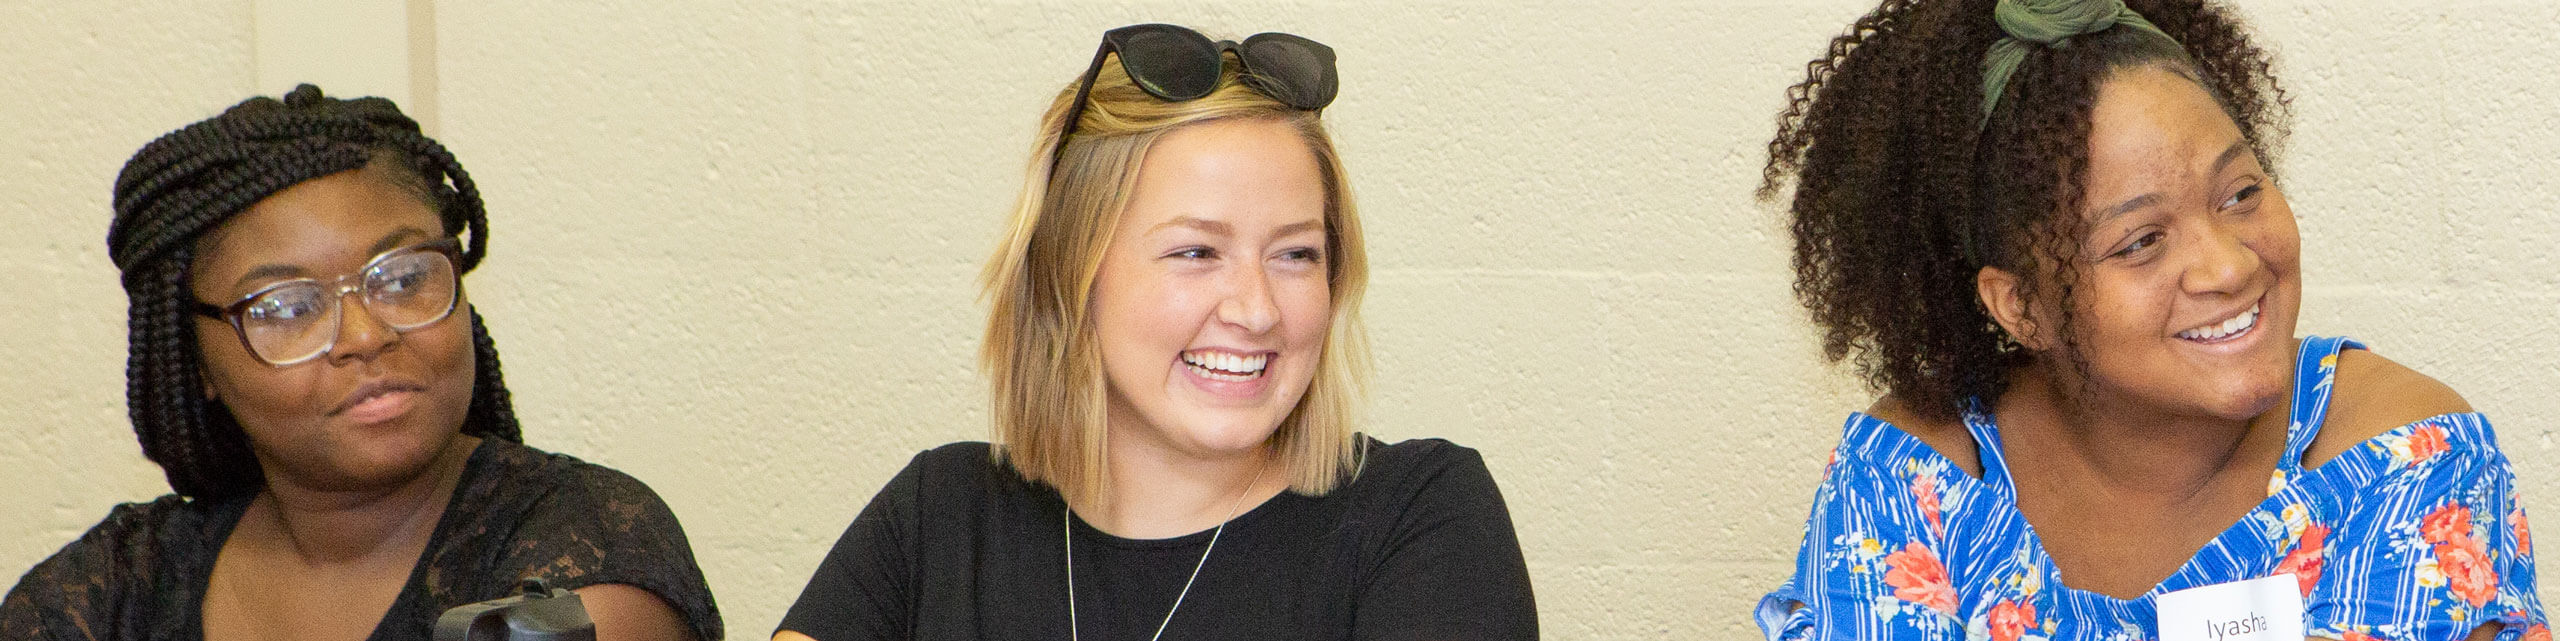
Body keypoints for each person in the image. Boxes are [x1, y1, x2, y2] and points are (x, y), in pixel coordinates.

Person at [1752, 1, 2547, 640]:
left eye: (2240, 193)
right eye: (2140, 242)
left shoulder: (2400, 460)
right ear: (2023, 305)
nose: (2230, 265)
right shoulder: (1916, 486)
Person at [775, 24, 1537, 641]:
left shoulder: (1423, 518)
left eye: (1297, 253)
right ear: (1071, 275)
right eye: (1196, 252)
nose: (1258, 308)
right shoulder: (939, 516)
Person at [0, 85, 723, 641]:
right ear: (200, 365)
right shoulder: (122, 583)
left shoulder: (584, 544)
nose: (364, 334)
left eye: (403, 278)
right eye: (285, 306)